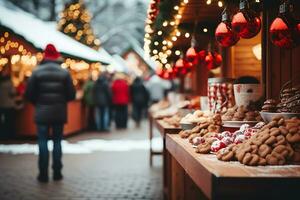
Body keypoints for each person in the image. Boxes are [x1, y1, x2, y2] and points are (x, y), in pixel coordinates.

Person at [25, 44, 75, 183]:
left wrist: (39, 103)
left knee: (42, 142)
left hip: (41, 113)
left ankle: (43, 174)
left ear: (45, 55)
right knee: (57, 142)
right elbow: (71, 95)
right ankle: (57, 172)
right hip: (59, 113)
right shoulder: (64, 73)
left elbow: (29, 94)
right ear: (56, 56)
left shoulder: (36, 72)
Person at [0, 65, 17, 140]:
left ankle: (4, 135)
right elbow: (13, 92)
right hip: (9, 104)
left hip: (2, 104)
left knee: (3, 122)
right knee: (9, 122)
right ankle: (10, 136)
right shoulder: (9, 83)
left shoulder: (1, 82)